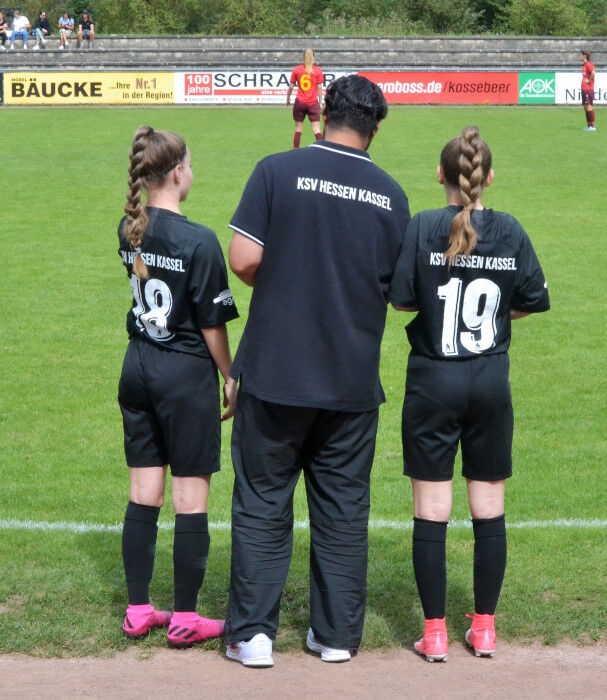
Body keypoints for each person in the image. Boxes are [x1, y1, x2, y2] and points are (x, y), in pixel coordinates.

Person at [224, 74, 411, 668]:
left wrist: (285, 276)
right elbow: (398, 293)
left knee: (262, 500)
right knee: (343, 508)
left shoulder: (277, 170)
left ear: (324, 114)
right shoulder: (391, 195)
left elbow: (243, 259)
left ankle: (254, 636)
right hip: (350, 379)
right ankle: (335, 637)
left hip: (275, 370)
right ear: (375, 130)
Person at [390, 126, 550, 662]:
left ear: (440, 175)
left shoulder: (422, 225)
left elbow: (402, 301)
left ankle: (434, 633)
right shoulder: (510, 229)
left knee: (432, 508)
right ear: (488, 178)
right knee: (489, 507)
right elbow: (531, 298)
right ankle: (484, 629)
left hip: (433, 380)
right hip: (488, 381)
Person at [117, 126, 239, 648]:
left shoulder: (128, 226)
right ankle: (186, 617)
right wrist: (230, 376)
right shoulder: (200, 240)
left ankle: (138, 610)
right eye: (189, 165)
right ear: (176, 174)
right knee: (190, 499)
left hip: (137, 367)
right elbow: (212, 324)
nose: (192, 172)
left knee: (143, 494)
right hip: (184, 376)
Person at [285, 49, 324, 148]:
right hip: (313, 103)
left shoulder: (296, 70)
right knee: (316, 129)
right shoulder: (318, 70)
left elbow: (291, 87)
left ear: (303, 57)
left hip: (300, 102)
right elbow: (319, 87)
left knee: (298, 128)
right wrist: (320, 102)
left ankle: (295, 151)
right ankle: (322, 151)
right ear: (313, 57)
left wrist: (288, 98)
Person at [580, 50, 596, 131]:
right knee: (585, 107)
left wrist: (589, 81)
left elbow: (593, 73)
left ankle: (592, 126)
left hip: (588, 89)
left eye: (581, 55)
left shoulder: (589, 64)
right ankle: (589, 125)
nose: (580, 56)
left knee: (588, 107)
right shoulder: (584, 65)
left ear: (585, 56)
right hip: (584, 89)